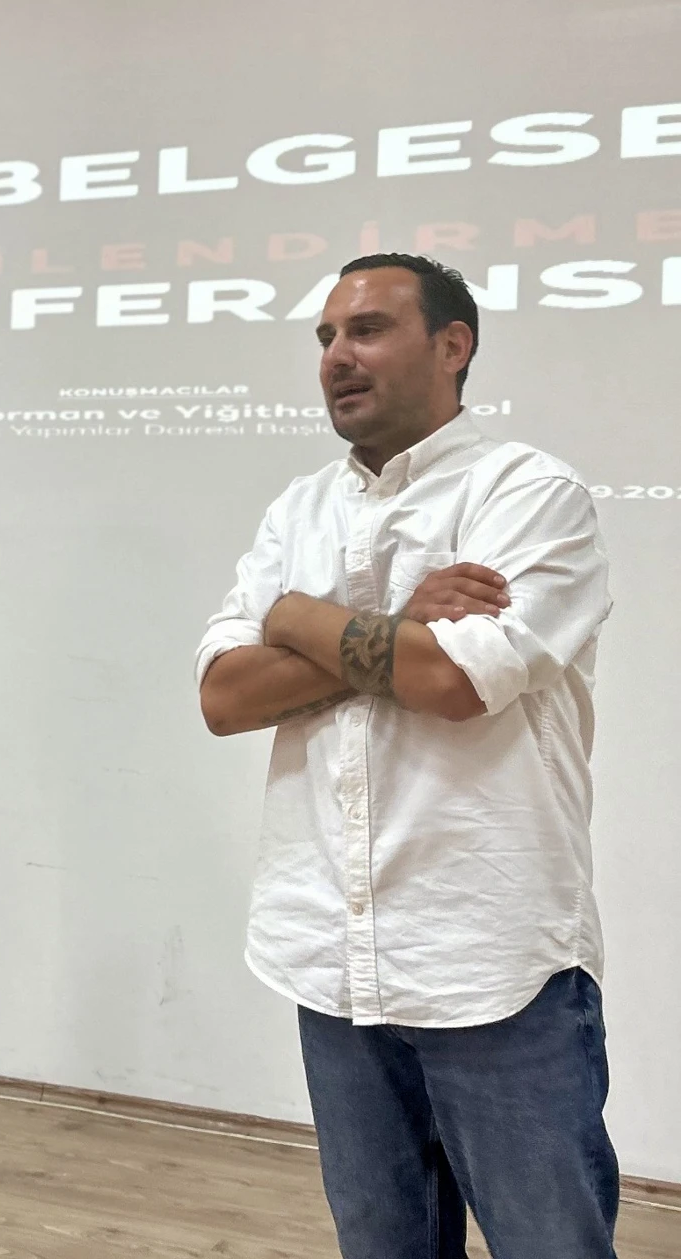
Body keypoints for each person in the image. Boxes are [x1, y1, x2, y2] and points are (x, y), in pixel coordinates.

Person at [195, 255, 617, 1259]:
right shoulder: (298, 510)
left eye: (369, 329)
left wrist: (296, 618)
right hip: (331, 958)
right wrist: (393, 619)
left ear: (453, 345)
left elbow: (453, 681)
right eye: (326, 337)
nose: (337, 356)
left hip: (491, 963)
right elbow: (224, 697)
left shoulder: (530, 492)